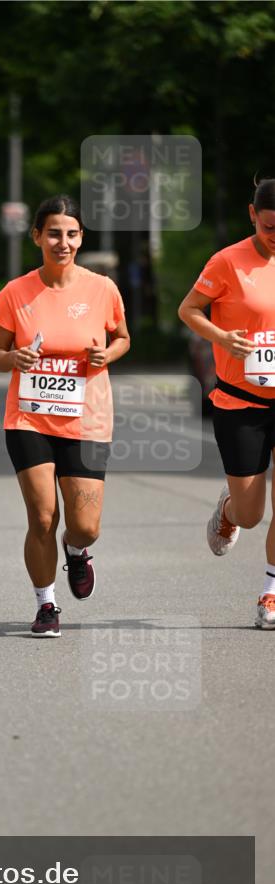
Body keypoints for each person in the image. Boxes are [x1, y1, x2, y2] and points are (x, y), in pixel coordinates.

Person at [0, 194, 130, 636]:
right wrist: (15, 360)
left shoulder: (102, 288)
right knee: (43, 516)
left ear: (81, 239)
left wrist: (105, 354)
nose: (62, 242)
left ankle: (77, 551)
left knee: (85, 526)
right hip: (29, 419)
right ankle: (46, 605)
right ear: (37, 237)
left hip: (86, 419)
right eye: (53, 233)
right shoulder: (16, 292)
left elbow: (123, 338)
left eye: (70, 234)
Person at [178, 176, 275, 630]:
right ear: (253, 215)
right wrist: (222, 337)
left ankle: (271, 593)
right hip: (241, 401)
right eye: (270, 226)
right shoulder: (228, 261)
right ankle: (230, 510)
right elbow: (189, 310)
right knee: (253, 514)